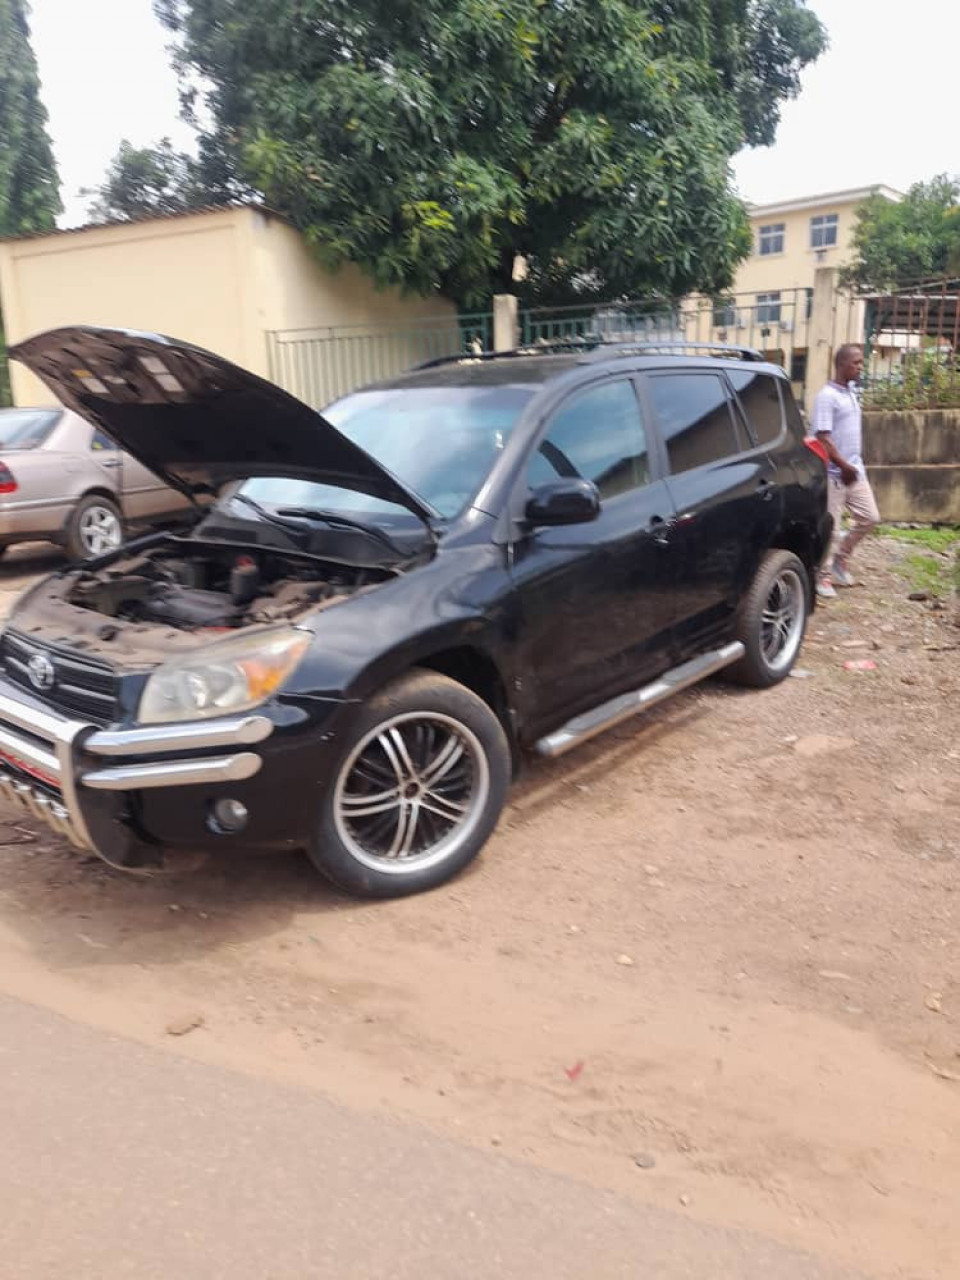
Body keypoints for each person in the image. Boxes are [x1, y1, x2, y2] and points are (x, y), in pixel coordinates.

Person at [811, 344, 879, 599]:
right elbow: (823, 438)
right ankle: (823, 576)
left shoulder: (850, 391)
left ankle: (840, 560)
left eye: (861, 362)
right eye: (856, 363)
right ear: (841, 365)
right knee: (831, 526)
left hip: (854, 470)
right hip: (834, 472)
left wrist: (852, 466)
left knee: (870, 517)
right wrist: (843, 466)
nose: (860, 367)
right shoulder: (827, 396)